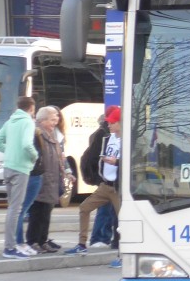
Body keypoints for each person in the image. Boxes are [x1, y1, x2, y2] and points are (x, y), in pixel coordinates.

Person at [0, 95, 38, 259]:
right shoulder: (28, 122)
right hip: (21, 168)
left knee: (12, 208)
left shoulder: (11, 121)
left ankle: (10, 245)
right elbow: (26, 144)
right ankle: (9, 247)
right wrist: (34, 156)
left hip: (8, 167)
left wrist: (10, 151)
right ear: (31, 108)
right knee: (15, 209)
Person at [69, 106, 122, 255]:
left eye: (112, 122)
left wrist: (116, 162)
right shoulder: (106, 138)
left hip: (119, 187)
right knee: (84, 208)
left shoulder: (129, 140)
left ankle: (123, 252)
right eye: (109, 122)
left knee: (123, 219)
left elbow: (132, 162)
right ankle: (81, 243)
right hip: (105, 185)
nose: (109, 125)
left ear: (120, 123)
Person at [25, 106, 69, 254]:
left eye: (56, 120)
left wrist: (66, 172)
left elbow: (58, 157)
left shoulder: (51, 134)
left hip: (51, 178)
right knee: (37, 212)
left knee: (46, 213)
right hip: (41, 177)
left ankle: (42, 240)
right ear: (42, 120)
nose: (55, 123)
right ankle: (33, 241)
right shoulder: (37, 133)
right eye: (52, 120)